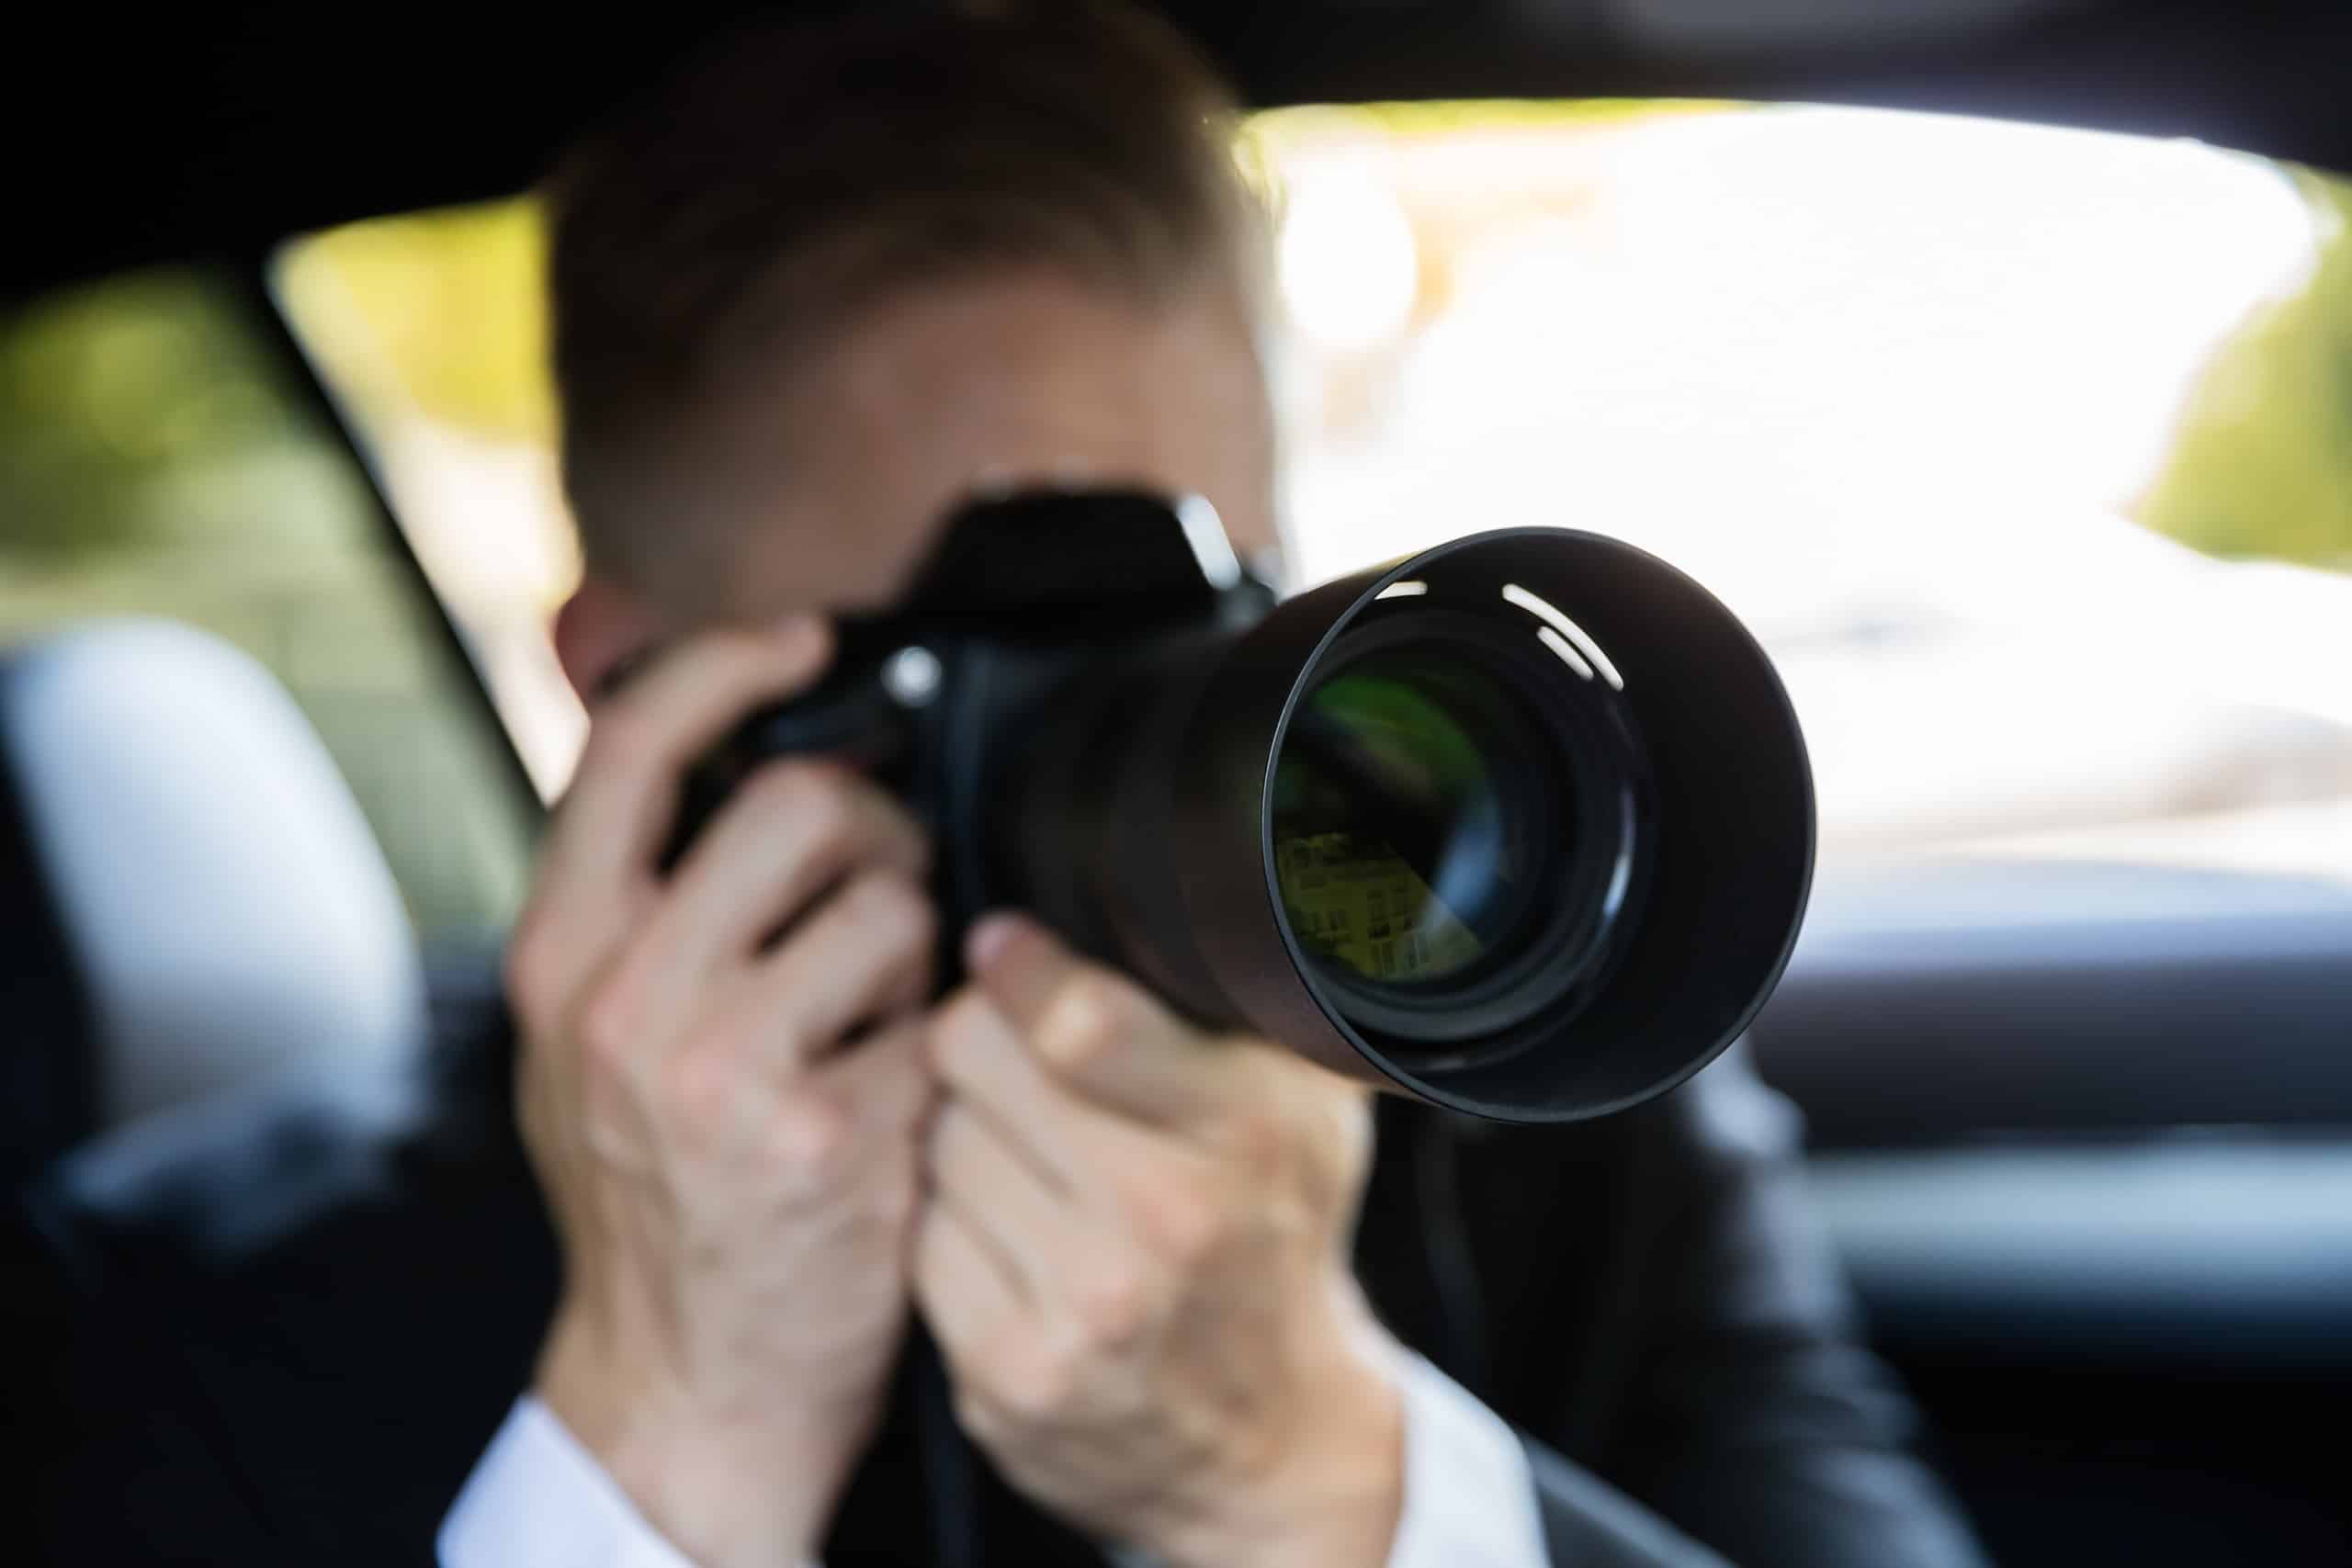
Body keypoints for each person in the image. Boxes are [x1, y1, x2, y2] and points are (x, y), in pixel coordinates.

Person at [14, 5, 1989, 1565]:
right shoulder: (194, 1311)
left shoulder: (1536, 1090)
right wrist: (655, 1459)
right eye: (986, 669)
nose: (1126, 742)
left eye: (1191, 637)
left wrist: (1331, 1486)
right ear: (631, 692)